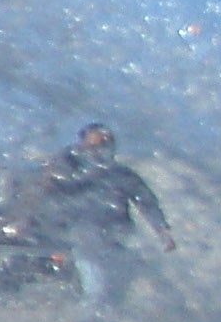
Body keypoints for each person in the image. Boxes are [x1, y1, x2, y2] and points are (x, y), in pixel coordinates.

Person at [27, 122, 171, 312]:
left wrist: (162, 230)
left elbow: (146, 202)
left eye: (107, 144)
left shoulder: (121, 175)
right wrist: (54, 242)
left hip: (115, 240)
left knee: (116, 296)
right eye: (96, 145)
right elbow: (48, 205)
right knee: (97, 292)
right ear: (83, 146)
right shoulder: (66, 174)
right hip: (82, 240)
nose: (102, 149)